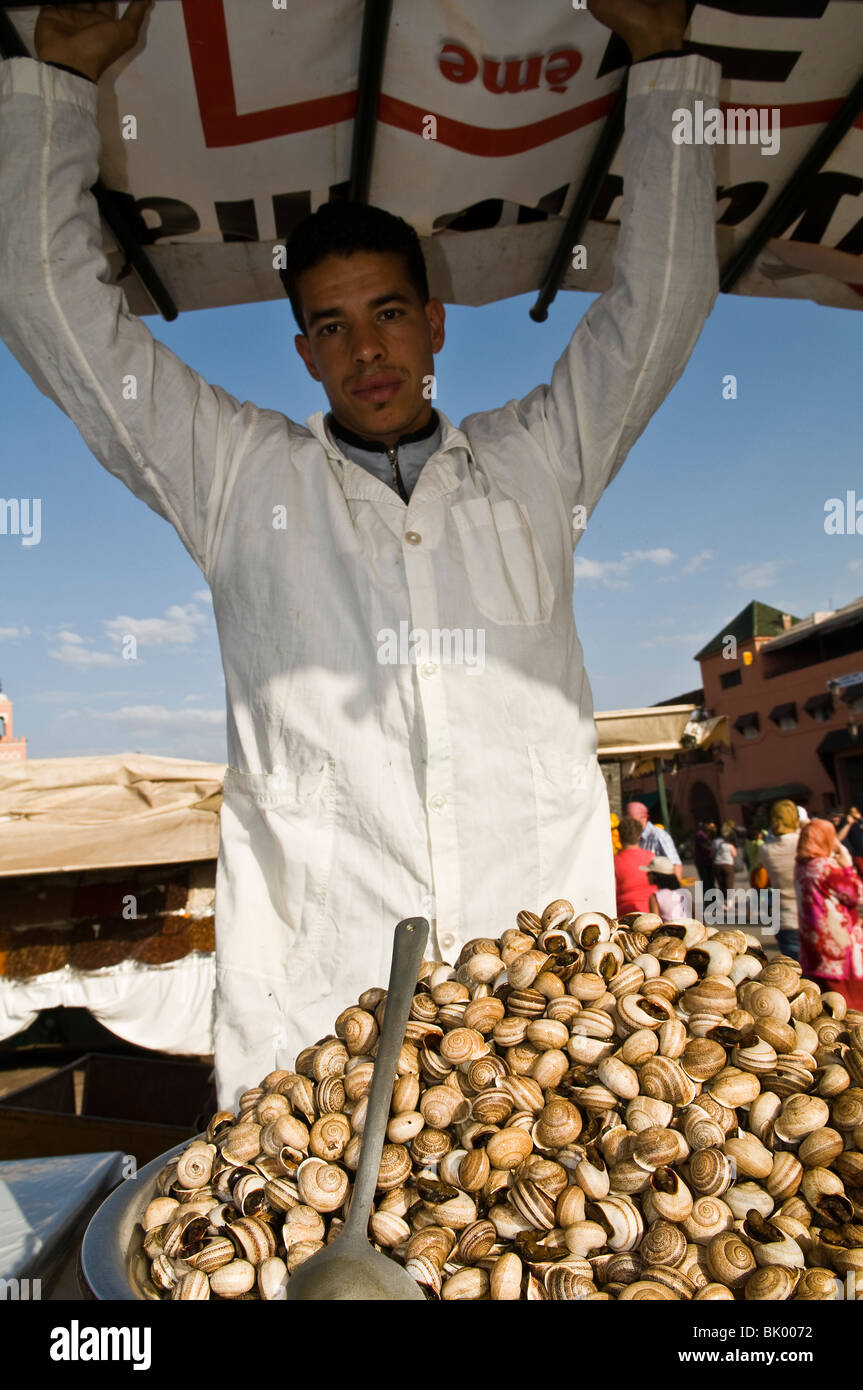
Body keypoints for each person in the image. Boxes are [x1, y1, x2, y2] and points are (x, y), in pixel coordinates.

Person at [0, 1, 717, 1106]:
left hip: (540, 1017)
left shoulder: (537, 463)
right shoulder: (240, 479)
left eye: (387, 312)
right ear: (301, 351)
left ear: (434, 325)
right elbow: (49, 309)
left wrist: (664, 66)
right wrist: (58, 84)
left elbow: (662, 300)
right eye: (331, 326)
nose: (365, 348)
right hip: (322, 1025)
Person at [794, 819, 863, 1010]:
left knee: (829, 1003)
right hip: (838, 946)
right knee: (850, 1003)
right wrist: (848, 866)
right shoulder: (825, 867)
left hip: (813, 944)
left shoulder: (801, 866)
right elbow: (856, 895)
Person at [758, 799, 801, 960]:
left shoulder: (765, 849)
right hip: (808, 916)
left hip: (783, 918)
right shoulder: (803, 842)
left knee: (794, 974)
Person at [626, 801, 683, 881]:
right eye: (628, 822)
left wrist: (675, 891)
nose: (631, 825)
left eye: (634, 821)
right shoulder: (632, 835)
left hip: (660, 887)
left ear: (644, 817)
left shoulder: (659, 836)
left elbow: (676, 865)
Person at [614, 816, 654, 915]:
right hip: (652, 910)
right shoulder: (651, 857)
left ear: (619, 836)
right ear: (639, 836)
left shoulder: (615, 861)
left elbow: (612, 890)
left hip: (625, 912)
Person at [644, 857, 690, 922]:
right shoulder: (683, 893)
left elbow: (654, 923)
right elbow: (696, 914)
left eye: (649, 873)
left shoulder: (655, 898)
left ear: (655, 876)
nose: (646, 875)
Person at [711, 821, 738, 894]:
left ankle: (723, 903)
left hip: (717, 864)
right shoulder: (729, 842)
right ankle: (729, 903)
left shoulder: (715, 841)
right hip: (728, 864)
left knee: (721, 886)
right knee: (729, 886)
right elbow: (734, 854)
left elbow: (712, 854)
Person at [837, 806, 863, 877]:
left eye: (855, 812)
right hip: (857, 856)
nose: (854, 814)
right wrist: (849, 824)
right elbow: (838, 838)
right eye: (851, 813)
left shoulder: (861, 822)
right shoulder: (845, 824)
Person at [693, 821, 715, 892]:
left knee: (711, 881)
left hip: (708, 861)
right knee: (706, 881)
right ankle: (709, 900)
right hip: (702, 862)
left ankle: (712, 898)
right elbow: (705, 846)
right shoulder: (700, 835)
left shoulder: (706, 834)